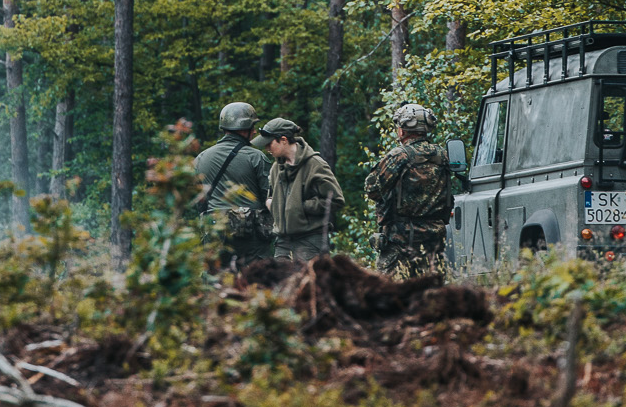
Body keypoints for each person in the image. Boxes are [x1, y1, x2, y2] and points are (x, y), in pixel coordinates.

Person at [364, 103, 454, 278]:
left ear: (402, 130)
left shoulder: (399, 156)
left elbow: (372, 190)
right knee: (430, 293)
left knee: (388, 295)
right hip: (433, 239)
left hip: (401, 241)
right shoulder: (442, 155)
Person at [194, 101, 272, 266]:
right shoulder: (256, 157)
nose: (254, 132)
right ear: (246, 128)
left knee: (216, 281)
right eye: (253, 127)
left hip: (214, 233)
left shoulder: (201, 158)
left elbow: (197, 199)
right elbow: (270, 196)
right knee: (256, 281)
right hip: (251, 239)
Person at [262, 117, 344, 262]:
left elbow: (336, 200)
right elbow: (272, 196)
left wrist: (301, 207)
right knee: (281, 284)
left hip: (310, 242)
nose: (267, 148)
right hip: (282, 242)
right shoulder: (276, 167)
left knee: (311, 283)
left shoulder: (315, 165)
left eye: (269, 143)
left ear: (283, 140)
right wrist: (272, 204)